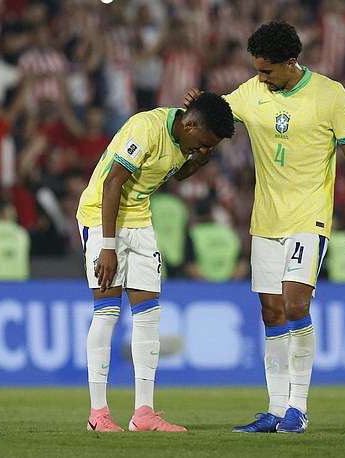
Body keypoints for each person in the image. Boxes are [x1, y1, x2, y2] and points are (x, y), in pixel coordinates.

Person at [185, 22, 345, 433]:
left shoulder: (330, 94)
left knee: (295, 305)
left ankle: (298, 408)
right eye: (257, 70)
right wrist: (198, 107)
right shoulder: (253, 91)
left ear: (291, 63)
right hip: (265, 220)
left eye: (267, 71)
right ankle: (274, 407)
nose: (260, 78)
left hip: (309, 218)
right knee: (271, 312)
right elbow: (218, 115)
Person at [76, 93, 234, 432]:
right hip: (100, 217)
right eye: (202, 142)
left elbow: (177, 174)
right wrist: (106, 246)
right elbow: (112, 180)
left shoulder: (186, 138)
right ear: (189, 124)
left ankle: (143, 414)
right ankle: (98, 414)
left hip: (140, 221)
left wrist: (200, 161)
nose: (200, 148)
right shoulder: (146, 127)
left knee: (149, 313)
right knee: (107, 312)